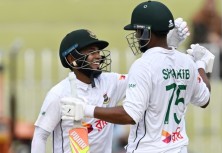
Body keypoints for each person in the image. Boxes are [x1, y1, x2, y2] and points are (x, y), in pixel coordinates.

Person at [61, 1, 213, 153]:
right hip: (179, 148)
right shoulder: (186, 62)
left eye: (137, 31)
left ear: (146, 32)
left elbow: (130, 115)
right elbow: (205, 98)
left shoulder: (143, 65)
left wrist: (86, 109)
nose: (136, 36)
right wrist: (201, 65)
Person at [31, 23, 190, 153]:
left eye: (98, 51)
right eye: (91, 51)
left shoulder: (110, 81)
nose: (98, 56)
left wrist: (166, 47)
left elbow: (148, 78)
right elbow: (40, 135)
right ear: (72, 58)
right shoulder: (59, 94)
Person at [189, 0, 222, 79]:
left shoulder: (218, 19)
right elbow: (197, 37)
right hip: (200, 49)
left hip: (217, 52)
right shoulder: (198, 19)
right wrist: (209, 37)